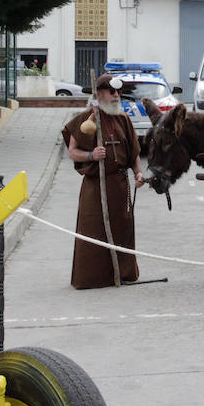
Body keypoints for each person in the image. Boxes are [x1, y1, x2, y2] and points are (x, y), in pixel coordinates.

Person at [62, 73, 145, 289]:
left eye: (118, 91)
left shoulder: (124, 119)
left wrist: (137, 173)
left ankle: (123, 273)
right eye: (112, 91)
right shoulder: (86, 120)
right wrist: (91, 156)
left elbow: (134, 152)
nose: (116, 95)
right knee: (93, 231)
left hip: (119, 185)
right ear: (99, 95)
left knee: (122, 229)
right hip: (95, 188)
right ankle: (93, 278)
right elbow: (72, 152)